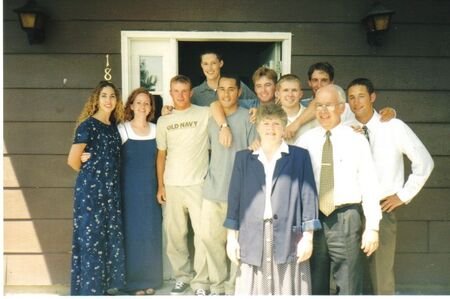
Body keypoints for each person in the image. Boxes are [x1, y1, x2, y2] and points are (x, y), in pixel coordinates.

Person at [347, 78, 434, 295]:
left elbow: (424, 162)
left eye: (361, 96)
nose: (356, 102)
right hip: (351, 209)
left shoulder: (394, 126)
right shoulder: (346, 129)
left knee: (381, 274)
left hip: (382, 208)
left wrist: (403, 195)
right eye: (351, 97)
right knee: (351, 274)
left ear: (372, 97)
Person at [224, 103, 321, 295]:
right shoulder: (244, 158)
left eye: (276, 124)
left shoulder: (299, 157)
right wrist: (231, 239)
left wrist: (308, 238)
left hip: (289, 237)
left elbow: (308, 197)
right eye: (266, 124)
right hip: (251, 235)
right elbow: (234, 199)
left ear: (284, 127)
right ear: (258, 127)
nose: (271, 129)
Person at [296, 84, 382, 295]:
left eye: (329, 105)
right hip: (313, 218)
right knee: (314, 281)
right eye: (318, 105)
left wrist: (372, 227)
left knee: (349, 281)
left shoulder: (356, 140)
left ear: (342, 108)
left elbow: (370, 184)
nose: (323, 111)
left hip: (346, 217)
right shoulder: (305, 141)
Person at [200, 74, 257, 295]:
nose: (226, 93)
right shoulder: (211, 116)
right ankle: (217, 286)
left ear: (239, 92)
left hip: (240, 193)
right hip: (213, 189)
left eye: (231, 89)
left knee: (237, 245)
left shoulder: (248, 118)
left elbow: (255, 152)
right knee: (210, 240)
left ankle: (234, 287)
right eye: (221, 89)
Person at [67, 81, 126, 295]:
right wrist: (90, 168)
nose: (108, 100)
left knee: (107, 239)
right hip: (91, 193)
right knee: (91, 240)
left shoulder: (113, 128)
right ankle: (89, 291)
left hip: (110, 193)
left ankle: (103, 288)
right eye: (104, 96)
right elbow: (73, 161)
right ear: (96, 99)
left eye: (112, 96)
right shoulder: (87, 126)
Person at [156, 75, 210, 295]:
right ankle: (181, 277)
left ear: (191, 92)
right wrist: (161, 186)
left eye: (185, 90)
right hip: (172, 185)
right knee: (175, 236)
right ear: (170, 93)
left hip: (197, 184)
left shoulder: (204, 113)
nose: (180, 95)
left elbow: (231, 105)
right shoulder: (163, 121)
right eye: (176, 91)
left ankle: (201, 282)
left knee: (203, 236)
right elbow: (161, 156)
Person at [118, 88, 163, 295]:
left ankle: (151, 279)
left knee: (150, 233)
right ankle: (134, 282)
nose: (142, 106)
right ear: (131, 105)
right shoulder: (123, 130)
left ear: (151, 108)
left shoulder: (157, 129)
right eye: (138, 102)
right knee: (133, 234)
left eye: (147, 103)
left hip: (151, 189)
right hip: (129, 190)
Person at [285, 61, 396, 140]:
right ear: (309, 82)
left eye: (324, 80)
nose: (319, 85)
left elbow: (367, 116)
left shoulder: (346, 107)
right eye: (315, 80)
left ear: (332, 82)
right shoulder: (301, 106)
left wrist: (390, 112)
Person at [191, 50, 257, 106]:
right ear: (201, 65)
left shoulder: (235, 85)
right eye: (205, 64)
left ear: (221, 63)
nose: (209, 68)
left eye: (213, 63)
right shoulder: (195, 93)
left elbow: (257, 104)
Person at [276, 74, 316, 143]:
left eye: (294, 90)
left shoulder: (312, 117)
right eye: (285, 90)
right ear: (277, 94)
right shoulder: (270, 117)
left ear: (300, 94)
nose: (290, 94)